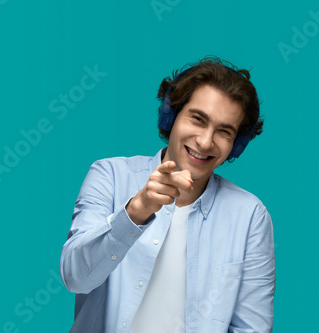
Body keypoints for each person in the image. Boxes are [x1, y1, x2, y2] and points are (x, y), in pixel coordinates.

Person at [60, 56, 275, 332]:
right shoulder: (110, 176)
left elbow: (251, 328)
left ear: (236, 145)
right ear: (171, 115)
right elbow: (75, 277)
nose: (205, 141)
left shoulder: (250, 216)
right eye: (198, 119)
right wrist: (136, 211)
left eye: (224, 132)